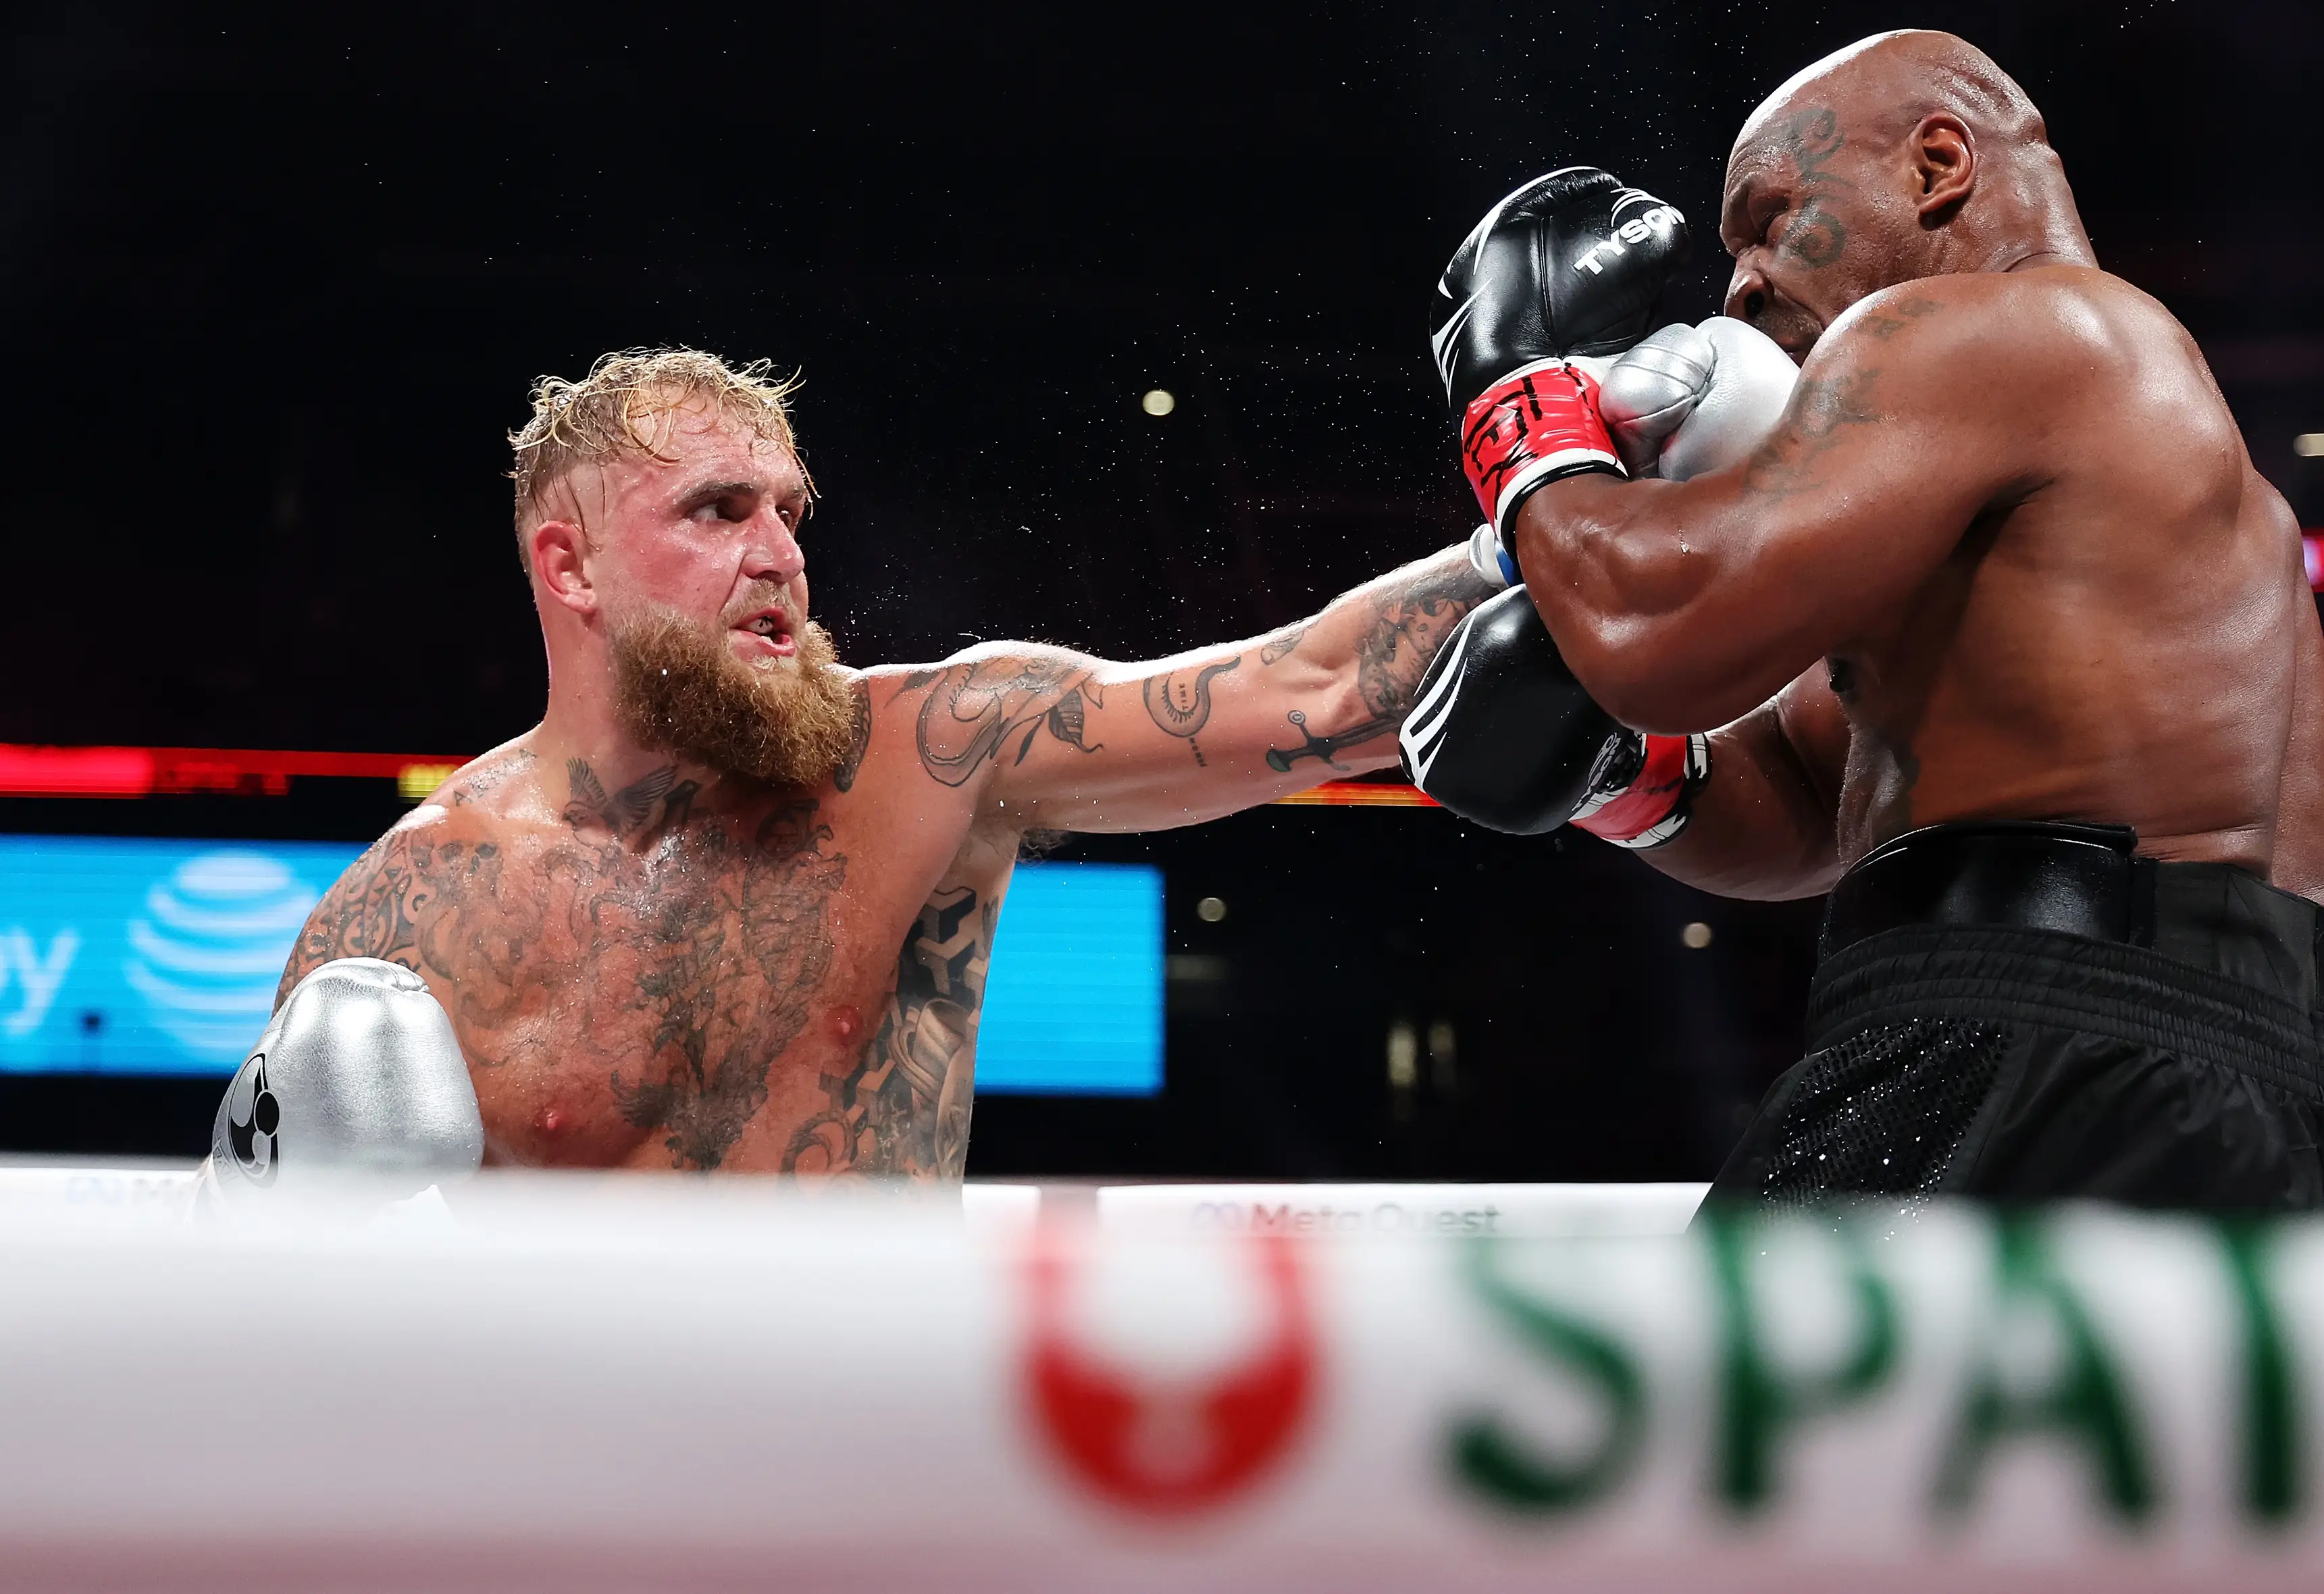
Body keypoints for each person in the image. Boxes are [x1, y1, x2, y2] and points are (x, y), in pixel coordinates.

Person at [1403, 32, 2324, 1211]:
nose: (1739, 287)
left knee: (1704, 1395)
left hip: (2034, 1052)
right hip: (2284, 1106)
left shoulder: (1975, 328)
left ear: (1938, 164)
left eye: (1771, 219)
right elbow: (1807, 804)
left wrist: (1513, 385)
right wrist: (1617, 776)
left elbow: (1653, 635)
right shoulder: (2133, 452)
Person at [216, 347, 1534, 1185]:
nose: (780, 555)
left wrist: (1549, 515)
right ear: (571, 567)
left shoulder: (927, 752)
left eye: (789, 511)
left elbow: (1298, 683)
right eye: (717, 510)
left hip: (873, 1497)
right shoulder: (408, 909)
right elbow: (298, 1324)